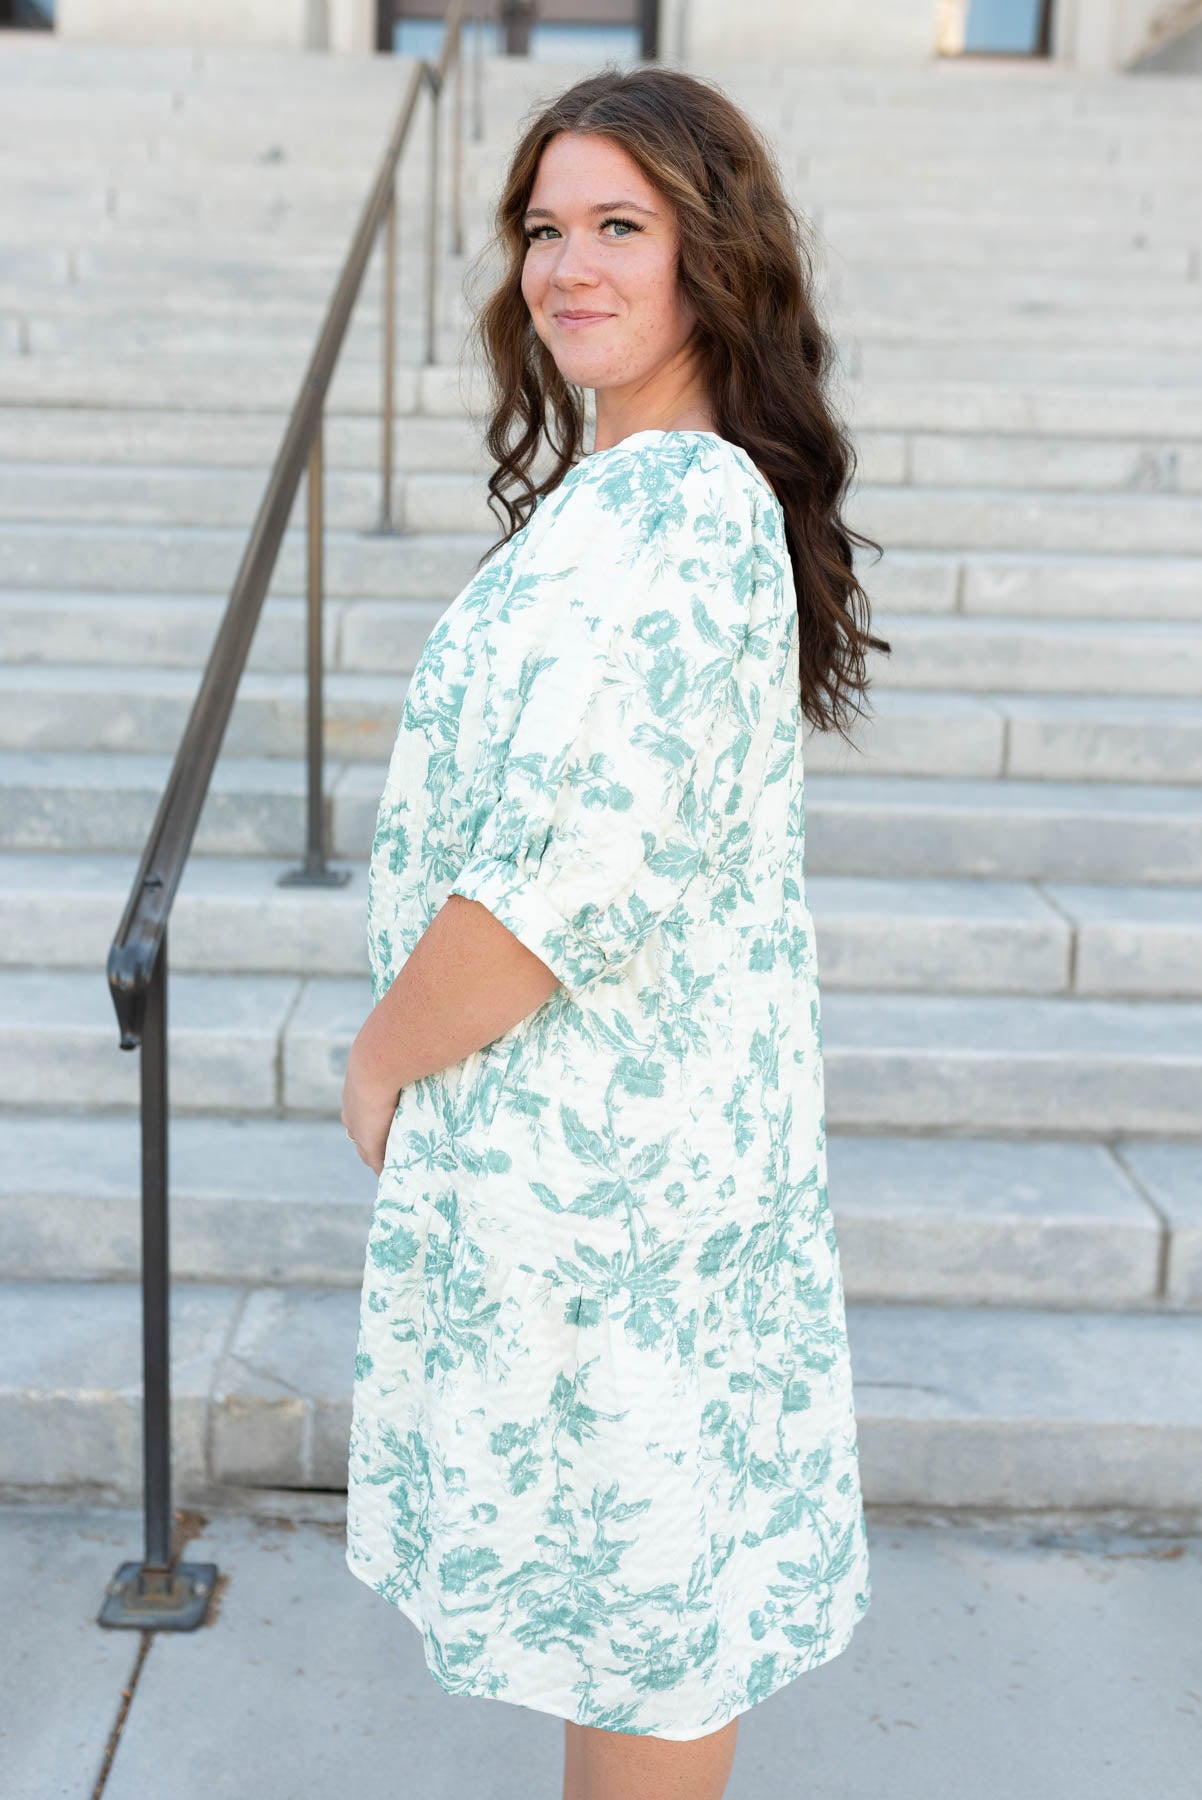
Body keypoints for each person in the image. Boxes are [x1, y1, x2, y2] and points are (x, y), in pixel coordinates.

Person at [340, 61, 888, 1800]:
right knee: (633, 1615)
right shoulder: (633, 498)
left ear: (707, 253)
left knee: (651, 1633)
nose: (567, 266)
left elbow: (566, 873)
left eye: (618, 227)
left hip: (624, 1192)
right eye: (542, 228)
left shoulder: (674, 508)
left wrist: (380, 1057)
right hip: (620, 1176)